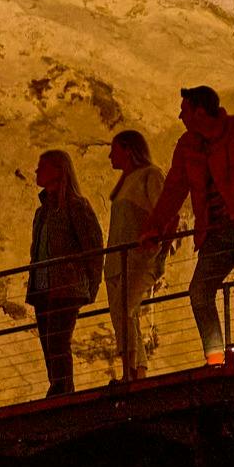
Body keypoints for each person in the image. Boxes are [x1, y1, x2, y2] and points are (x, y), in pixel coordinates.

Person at [149, 85, 234, 357]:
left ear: (199, 111)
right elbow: (174, 188)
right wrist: (154, 227)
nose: (180, 117)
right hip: (216, 229)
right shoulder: (188, 145)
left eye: (184, 110)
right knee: (199, 292)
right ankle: (215, 357)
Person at [22, 148, 106, 398]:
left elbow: (93, 246)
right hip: (43, 286)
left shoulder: (76, 206)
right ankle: (59, 387)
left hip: (66, 285)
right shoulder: (43, 211)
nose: (37, 171)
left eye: (42, 166)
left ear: (58, 171)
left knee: (58, 340)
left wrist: (91, 285)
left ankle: (62, 390)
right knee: (49, 342)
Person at [101, 125, 162, 382]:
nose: (110, 156)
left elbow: (163, 212)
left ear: (127, 149)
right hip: (116, 260)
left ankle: (130, 373)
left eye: (113, 150)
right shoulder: (125, 182)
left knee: (126, 309)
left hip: (137, 257)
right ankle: (138, 372)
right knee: (125, 315)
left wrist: (155, 247)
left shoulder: (150, 175)